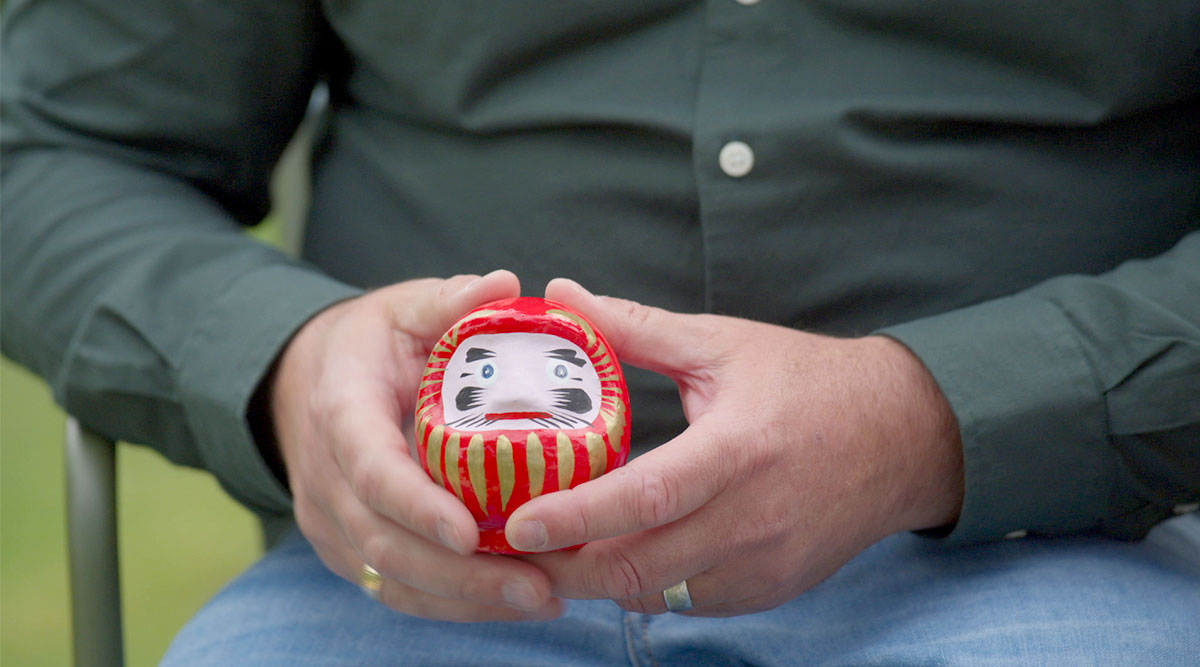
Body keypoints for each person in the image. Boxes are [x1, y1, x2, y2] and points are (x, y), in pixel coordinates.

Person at [3, 1, 1198, 664]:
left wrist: (936, 419)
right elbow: (53, 150)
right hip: (424, 581)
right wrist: (280, 360)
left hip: (1056, 549)